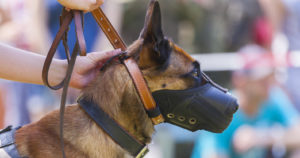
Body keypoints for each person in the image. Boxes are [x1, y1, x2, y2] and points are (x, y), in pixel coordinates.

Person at [191, 45, 300, 158]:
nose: (268, 83)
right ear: (240, 81)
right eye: (261, 80)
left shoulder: (273, 97)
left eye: (269, 77)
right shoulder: (219, 111)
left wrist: (260, 137)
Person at [0, 0, 121, 89]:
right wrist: (60, 72)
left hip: (86, 66)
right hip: (45, 61)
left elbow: (111, 25)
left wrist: (65, 72)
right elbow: (36, 27)